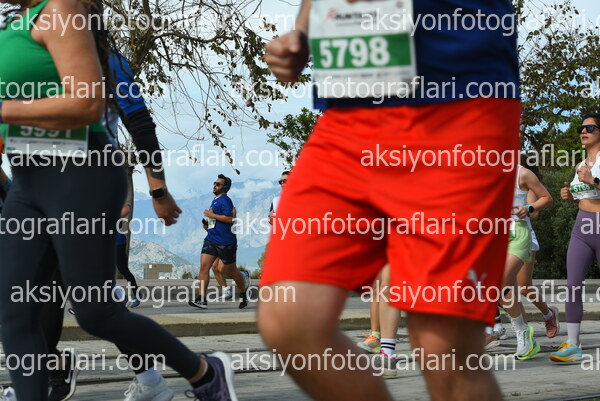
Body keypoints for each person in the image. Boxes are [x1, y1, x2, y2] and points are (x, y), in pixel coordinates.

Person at [259, 1, 521, 400]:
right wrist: (302, 33)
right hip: (351, 107)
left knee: (443, 348)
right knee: (290, 318)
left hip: (458, 100)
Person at [0, 1, 237, 400]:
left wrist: (158, 190)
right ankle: (52, 379)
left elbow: (133, 121)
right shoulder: (14, 29)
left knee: (94, 310)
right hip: (30, 182)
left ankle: (193, 372)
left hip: (82, 177)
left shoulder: (91, 41)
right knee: (19, 310)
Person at [486, 165, 552, 358]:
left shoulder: (522, 173)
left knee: (499, 284)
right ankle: (525, 336)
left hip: (519, 234)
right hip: (495, 235)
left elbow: (547, 197)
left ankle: (523, 330)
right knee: (507, 290)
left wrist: (528, 208)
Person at [550, 114, 600, 363]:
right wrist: (570, 196)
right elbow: (584, 196)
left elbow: (593, 185)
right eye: (581, 128)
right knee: (573, 285)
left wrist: (594, 181)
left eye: (589, 127)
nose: (583, 131)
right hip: (582, 226)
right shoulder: (580, 163)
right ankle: (573, 344)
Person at [190, 175, 248, 309]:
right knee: (204, 268)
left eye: (218, 184)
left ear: (224, 187)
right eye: (214, 183)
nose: (214, 185)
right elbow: (216, 220)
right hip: (211, 239)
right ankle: (201, 299)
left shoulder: (226, 200)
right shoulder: (215, 200)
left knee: (231, 270)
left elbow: (230, 219)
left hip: (225, 242)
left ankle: (244, 293)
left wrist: (212, 215)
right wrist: (208, 226)